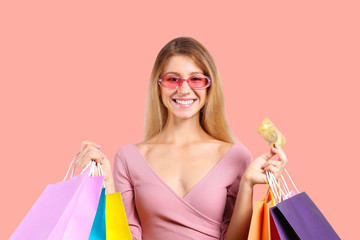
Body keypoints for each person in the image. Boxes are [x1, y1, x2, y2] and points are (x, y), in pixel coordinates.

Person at [77, 36, 288, 240]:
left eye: (196, 79)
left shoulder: (236, 156)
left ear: (209, 86)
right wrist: (106, 185)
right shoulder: (128, 157)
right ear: (158, 86)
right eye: (173, 79)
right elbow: (124, 238)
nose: (184, 89)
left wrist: (248, 185)